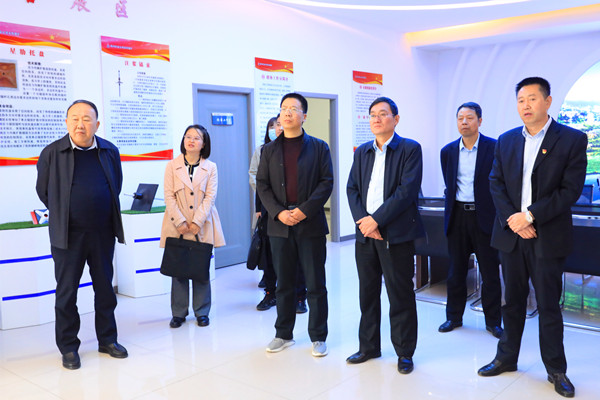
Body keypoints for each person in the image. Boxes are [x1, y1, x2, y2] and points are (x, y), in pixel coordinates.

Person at [478, 77, 587, 398]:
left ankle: (556, 369)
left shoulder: (571, 139)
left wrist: (530, 215)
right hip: (512, 235)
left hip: (546, 235)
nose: (525, 105)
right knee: (511, 301)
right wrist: (514, 220)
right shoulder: (506, 140)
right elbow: (495, 182)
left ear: (548, 101)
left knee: (548, 305)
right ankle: (506, 357)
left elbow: (570, 191)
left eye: (532, 99)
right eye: (521, 100)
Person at [36, 99, 127, 370]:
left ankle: (107, 340)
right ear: (66, 122)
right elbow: (44, 191)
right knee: (67, 293)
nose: (80, 124)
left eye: (87, 119)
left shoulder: (109, 151)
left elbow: (116, 185)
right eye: (75, 118)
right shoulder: (52, 153)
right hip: (67, 235)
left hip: (102, 232)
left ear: (97, 124)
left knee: (105, 290)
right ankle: (68, 347)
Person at [346, 96, 424, 374]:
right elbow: (352, 189)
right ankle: (369, 346)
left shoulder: (410, 149)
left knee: (399, 294)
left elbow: (406, 192)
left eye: (382, 114)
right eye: (372, 114)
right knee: (367, 293)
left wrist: (376, 220)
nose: (376, 119)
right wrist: (364, 222)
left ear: (396, 119)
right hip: (365, 235)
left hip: (396, 235)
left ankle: (404, 352)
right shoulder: (362, 151)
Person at [256, 92, 333, 357]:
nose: (287, 113)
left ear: (304, 116)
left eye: (293, 108)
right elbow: (262, 185)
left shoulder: (319, 147)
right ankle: (283, 334)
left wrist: (303, 211)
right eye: (284, 108)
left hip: (310, 224)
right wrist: (279, 213)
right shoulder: (269, 150)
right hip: (279, 225)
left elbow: (326, 182)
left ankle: (318, 336)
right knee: (284, 283)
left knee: (315, 283)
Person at [438, 102, 502, 338]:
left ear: (480, 121)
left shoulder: (494, 148)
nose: (464, 122)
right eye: (460, 118)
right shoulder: (447, 151)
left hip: (484, 217)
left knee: (490, 272)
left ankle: (493, 322)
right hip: (457, 217)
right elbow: (449, 184)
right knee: (455, 272)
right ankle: (453, 317)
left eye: (469, 118)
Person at [160, 125, 225, 329]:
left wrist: (197, 221)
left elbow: (210, 197)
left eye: (196, 138)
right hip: (176, 224)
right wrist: (179, 221)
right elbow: (169, 196)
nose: (191, 140)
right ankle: (178, 313)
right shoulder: (172, 166)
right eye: (188, 137)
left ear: (203, 143)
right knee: (178, 269)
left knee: (200, 269)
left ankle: (202, 312)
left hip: (202, 224)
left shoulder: (211, 167)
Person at [249, 115, 308, 312]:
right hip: (271, 214)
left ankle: (300, 296)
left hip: (296, 213)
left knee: (297, 258)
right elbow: (261, 184)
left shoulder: (304, 149)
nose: (279, 128)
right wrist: (259, 210)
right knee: (269, 257)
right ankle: (270, 293)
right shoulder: (265, 150)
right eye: (277, 125)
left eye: (282, 124)